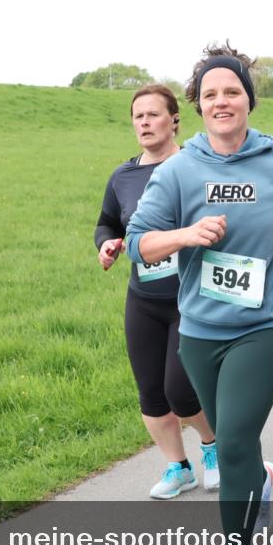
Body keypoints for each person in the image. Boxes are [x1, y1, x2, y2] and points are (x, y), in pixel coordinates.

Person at [125, 42, 273, 545]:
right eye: (211, 94)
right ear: (199, 105)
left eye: (232, 91)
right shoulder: (180, 168)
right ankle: (262, 484)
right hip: (201, 329)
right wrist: (186, 235)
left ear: (248, 100)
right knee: (239, 441)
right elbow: (140, 242)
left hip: (265, 323)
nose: (222, 101)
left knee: (230, 441)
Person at [95, 84, 218, 500]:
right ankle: (178, 467)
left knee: (180, 391)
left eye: (153, 115)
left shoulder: (194, 166)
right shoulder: (123, 176)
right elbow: (108, 223)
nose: (144, 123)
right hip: (143, 300)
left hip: (192, 297)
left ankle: (213, 446)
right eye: (138, 117)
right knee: (150, 392)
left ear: (174, 120)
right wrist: (107, 245)